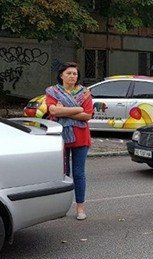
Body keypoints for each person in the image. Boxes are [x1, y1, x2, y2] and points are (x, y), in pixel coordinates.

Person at [45, 62, 94, 220]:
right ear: (61, 75)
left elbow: (87, 115)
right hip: (61, 137)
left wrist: (63, 111)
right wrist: (77, 109)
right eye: (69, 73)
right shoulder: (52, 91)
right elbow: (52, 110)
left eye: (75, 73)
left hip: (81, 137)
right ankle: (61, 206)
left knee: (78, 173)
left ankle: (80, 207)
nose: (73, 76)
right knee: (62, 173)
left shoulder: (85, 93)